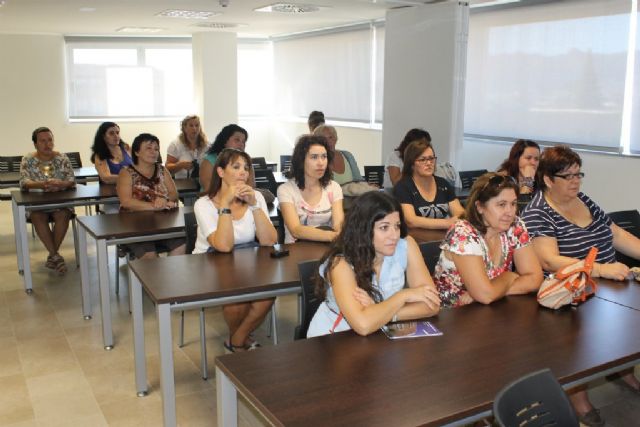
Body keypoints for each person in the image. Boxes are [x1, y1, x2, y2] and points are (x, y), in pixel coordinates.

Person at [521, 145, 640, 426]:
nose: (576, 181)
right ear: (548, 179)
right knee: (582, 339)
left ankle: (622, 368)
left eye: (578, 174)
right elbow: (549, 260)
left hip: (610, 284)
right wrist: (600, 269)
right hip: (572, 293)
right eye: (568, 176)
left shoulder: (582, 199)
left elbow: (616, 234)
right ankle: (578, 395)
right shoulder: (537, 211)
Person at [307, 191, 440, 337]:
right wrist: (404, 296)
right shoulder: (340, 263)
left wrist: (379, 311)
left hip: (380, 335)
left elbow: (432, 304)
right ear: (363, 229)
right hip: (337, 336)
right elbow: (363, 325)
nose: (394, 235)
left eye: (397, 226)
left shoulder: (406, 245)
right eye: (384, 227)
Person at [193, 148, 277, 351]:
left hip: (247, 257)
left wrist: (255, 206)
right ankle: (241, 340)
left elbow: (269, 240)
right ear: (221, 172)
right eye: (236, 167)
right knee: (237, 298)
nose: (243, 173)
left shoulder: (255, 196)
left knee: (268, 292)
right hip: (210, 260)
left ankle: (237, 339)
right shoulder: (203, 204)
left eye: (246, 168)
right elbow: (223, 246)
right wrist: (225, 203)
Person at [434, 173, 543, 308]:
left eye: (513, 204)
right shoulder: (463, 233)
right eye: (501, 204)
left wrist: (490, 291)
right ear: (480, 207)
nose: (510, 212)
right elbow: (485, 295)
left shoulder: (515, 225)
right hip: (454, 313)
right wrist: (510, 276)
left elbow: (535, 279)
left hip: (493, 308)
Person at [117, 133, 186, 259]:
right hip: (134, 226)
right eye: (148, 148)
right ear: (136, 152)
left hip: (163, 224)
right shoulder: (126, 172)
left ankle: (169, 271)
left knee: (183, 244)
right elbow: (126, 202)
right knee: (149, 255)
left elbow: (174, 194)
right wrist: (155, 206)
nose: (153, 152)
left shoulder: (162, 170)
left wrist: (165, 199)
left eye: (156, 149)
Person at [20, 127, 76, 275]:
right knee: (37, 216)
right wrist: (42, 185)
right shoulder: (28, 159)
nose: (47, 144)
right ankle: (55, 255)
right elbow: (24, 182)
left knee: (63, 214)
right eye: (42, 141)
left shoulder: (62, 158)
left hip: (60, 202)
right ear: (35, 144)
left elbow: (71, 180)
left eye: (50, 140)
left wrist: (61, 184)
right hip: (37, 204)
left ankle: (53, 255)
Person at [277, 135, 344, 243]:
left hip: (327, 247)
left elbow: (338, 225)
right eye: (314, 157)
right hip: (297, 249)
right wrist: (332, 236)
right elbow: (296, 230)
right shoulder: (286, 190)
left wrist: (338, 235)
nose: (321, 163)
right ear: (301, 161)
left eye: (324, 156)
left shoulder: (334, 187)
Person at [394, 139, 464, 230]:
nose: (429, 163)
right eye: (422, 159)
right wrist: (446, 223)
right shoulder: (403, 187)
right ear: (411, 164)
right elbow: (410, 220)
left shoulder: (443, 184)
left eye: (431, 158)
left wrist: (460, 218)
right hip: (416, 236)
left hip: (444, 235)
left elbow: (459, 213)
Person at [199, 124, 247, 192]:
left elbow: (250, 186)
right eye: (237, 140)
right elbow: (209, 189)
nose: (241, 144)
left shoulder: (245, 162)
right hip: (213, 197)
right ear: (225, 141)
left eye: (243, 141)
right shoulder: (209, 161)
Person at [497, 139, 541, 210]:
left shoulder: (540, 178)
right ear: (516, 159)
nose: (533, 163)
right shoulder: (502, 179)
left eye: (536, 159)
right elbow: (522, 212)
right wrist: (527, 182)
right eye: (528, 158)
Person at [165, 115, 208, 179]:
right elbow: (167, 169)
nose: (194, 128)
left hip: (204, 182)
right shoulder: (175, 145)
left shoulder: (207, 146)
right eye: (191, 125)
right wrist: (180, 165)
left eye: (197, 125)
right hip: (182, 183)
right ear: (184, 128)